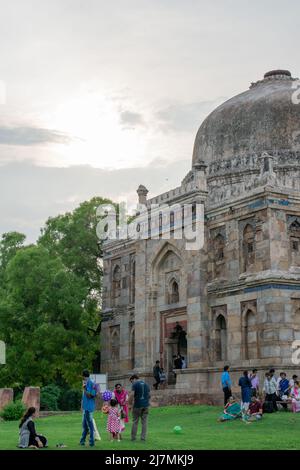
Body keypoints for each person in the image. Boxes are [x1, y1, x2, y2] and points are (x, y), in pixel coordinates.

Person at [130, 374, 150, 441]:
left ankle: (133, 437)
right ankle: (143, 438)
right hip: (146, 405)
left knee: (135, 421)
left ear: (134, 379)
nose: (132, 383)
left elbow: (132, 394)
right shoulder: (147, 384)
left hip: (137, 405)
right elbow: (149, 395)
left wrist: (130, 404)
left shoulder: (135, 384)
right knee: (144, 422)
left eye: (131, 381)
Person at [80, 369, 97, 447]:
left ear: (83, 376)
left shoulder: (91, 383)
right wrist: (82, 406)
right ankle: (82, 441)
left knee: (90, 425)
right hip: (85, 407)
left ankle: (92, 442)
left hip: (89, 407)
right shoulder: (86, 383)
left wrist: (85, 388)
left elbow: (90, 395)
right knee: (85, 425)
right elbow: (84, 396)